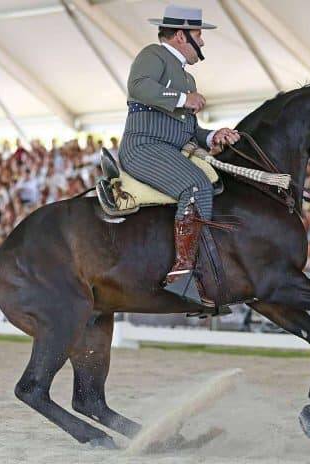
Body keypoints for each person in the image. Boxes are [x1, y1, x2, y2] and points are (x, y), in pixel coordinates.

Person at [117, 5, 240, 307]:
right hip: (144, 147)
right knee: (196, 185)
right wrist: (185, 99)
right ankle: (182, 274)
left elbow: (190, 130)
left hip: (169, 150)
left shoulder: (188, 79)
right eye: (199, 34)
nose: (203, 41)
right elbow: (138, 86)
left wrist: (212, 136)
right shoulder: (153, 54)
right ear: (182, 36)